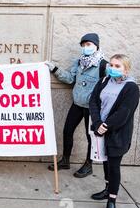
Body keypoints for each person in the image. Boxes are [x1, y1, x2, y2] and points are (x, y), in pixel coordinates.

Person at [46, 33, 107, 177]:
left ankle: (88, 164)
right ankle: (65, 160)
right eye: (84, 45)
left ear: (96, 46)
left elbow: (106, 88)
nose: (86, 47)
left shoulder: (103, 65)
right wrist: (54, 68)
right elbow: (69, 78)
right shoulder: (79, 62)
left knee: (90, 136)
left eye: (89, 45)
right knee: (67, 130)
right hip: (78, 103)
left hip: (92, 108)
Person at [89, 54, 139, 208]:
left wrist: (106, 126)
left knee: (114, 166)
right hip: (100, 129)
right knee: (105, 161)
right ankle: (107, 188)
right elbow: (93, 102)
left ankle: (112, 200)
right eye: (111, 65)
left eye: (118, 66)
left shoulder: (131, 88)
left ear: (126, 69)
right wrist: (97, 123)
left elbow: (124, 112)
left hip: (117, 134)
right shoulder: (104, 81)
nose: (113, 68)